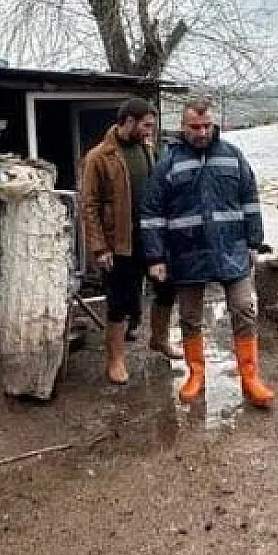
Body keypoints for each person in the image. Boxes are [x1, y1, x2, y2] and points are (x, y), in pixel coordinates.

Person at [141, 97, 276, 407]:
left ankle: (250, 378)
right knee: (190, 317)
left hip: (232, 251)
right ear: (182, 126)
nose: (201, 132)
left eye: (206, 126)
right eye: (194, 127)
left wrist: (254, 243)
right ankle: (196, 374)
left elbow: (250, 201)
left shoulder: (232, 156)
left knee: (244, 309)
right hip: (187, 255)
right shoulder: (169, 163)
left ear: (213, 124)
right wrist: (156, 257)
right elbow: (152, 213)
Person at [80, 97, 181, 384]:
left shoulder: (149, 149)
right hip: (120, 242)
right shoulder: (99, 156)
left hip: (152, 239)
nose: (150, 131)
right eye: (146, 125)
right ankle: (116, 360)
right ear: (128, 121)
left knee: (166, 288)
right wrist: (99, 247)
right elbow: (89, 206)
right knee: (120, 301)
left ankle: (159, 339)